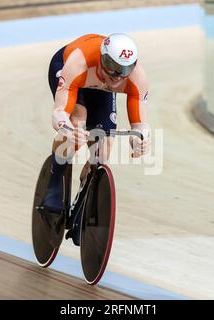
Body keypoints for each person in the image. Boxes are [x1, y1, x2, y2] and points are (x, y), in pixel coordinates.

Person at [42, 33, 151, 213]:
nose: (117, 76)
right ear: (102, 58)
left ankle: (84, 199)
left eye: (124, 70)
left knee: (103, 147)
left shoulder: (136, 77)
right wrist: (67, 130)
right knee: (77, 121)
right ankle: (53, 185)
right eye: (112, 66)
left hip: (99, 83)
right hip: (69, 70)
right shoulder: (78, 62)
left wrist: (140, 139)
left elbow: (141, 126)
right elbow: (59, 113)